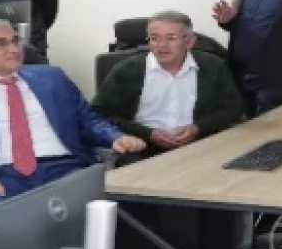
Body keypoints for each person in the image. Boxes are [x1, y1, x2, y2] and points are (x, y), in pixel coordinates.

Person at [0, 18, 145, 219]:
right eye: (0, 44)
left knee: (117, 212)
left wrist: (116, 137)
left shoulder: (53, 77)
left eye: (15, 40)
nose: (13, 49)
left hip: (65, 168)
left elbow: (88, 120)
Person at [92, 11, 245, 152]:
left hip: (199, 144)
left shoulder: (213, 66)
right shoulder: (126, 71)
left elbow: (233, 109)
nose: (162, 46)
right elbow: (100, 114)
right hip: (143, 147)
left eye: (171, 38)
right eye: (154, 38)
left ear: (190, 41)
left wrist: (198, 128)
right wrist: (149, 134)